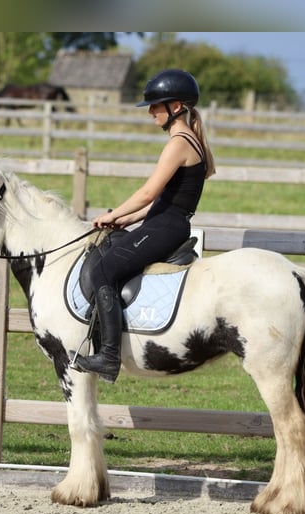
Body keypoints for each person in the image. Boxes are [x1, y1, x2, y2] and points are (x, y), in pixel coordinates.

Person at [73, 68, 216, 383]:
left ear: (175, 107)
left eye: (156, 105)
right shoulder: (187, 139)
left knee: (102, 271)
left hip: (166, 227)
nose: (151, 111)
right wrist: (125, 219)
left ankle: (108, 356)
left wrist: (112, 214)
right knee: (108, 250)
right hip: (163, 221)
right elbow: (163, 201)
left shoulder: (179, 142)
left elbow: (149, 192)